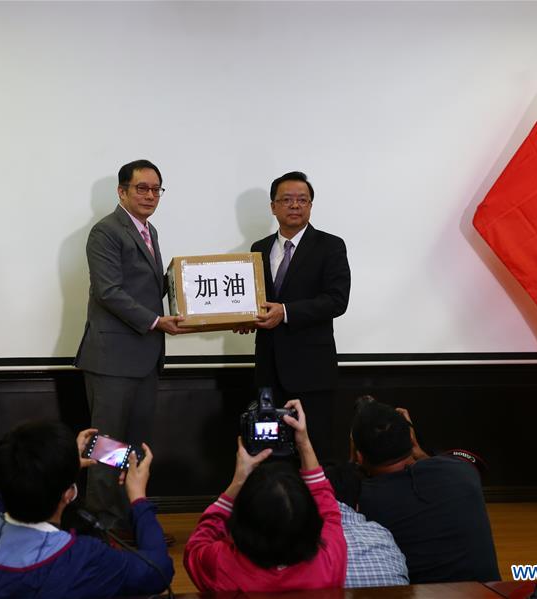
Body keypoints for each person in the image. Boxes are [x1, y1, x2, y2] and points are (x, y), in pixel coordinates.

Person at [74, 159, 184, 532]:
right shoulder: (106, 231)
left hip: (144, 358)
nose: (150, 195)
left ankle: (129, 522)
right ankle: (103, 526)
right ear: (122, 192)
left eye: (156, 189)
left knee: (134, 447)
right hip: (112, 360)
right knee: (108, 447)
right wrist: (156, 321)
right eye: (142, 188)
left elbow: (147, 288)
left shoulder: (149, 231)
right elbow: (108, 291)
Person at [0, 420, 174, 599]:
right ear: (68, 494)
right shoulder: (83, 557)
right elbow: (159, 571)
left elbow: (9, 487)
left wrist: (55, 467)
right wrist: (138, 498)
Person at [238, 171, 350, 461]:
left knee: (314, 451)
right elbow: (254, 301)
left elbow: (337, 300)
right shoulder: (259, 249)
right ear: (273, 206)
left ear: (311, 205)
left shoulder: (330, 246)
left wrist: (285, 312)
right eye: (287, 199)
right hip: (268, 370)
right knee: (270, 454)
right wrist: (244, 317)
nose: (295, 205)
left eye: (302, 199)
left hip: (312, 371)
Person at [183, 399, 346, 592]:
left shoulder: (222, 565)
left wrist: (238, 482)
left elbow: (195, 547)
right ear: (311, 522)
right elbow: (328, 508)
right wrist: (304, 444)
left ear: (241, 523)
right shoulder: (330, 561)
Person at [348, 396, 500, 583]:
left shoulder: (365, 503)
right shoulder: (463, 472)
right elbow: (441, 465)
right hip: (488, 593)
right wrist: (417, 449)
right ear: (411, 440)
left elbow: (347, 482)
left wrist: (353, 459)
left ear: (360, 457)